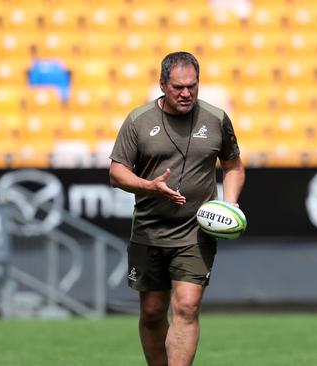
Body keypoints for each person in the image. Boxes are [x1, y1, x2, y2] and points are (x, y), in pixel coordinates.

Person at [109, 51, 245, 366]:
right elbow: (116, 172)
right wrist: (149, 186)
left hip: (196, 232)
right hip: (149, 230)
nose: (186, 93)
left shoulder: (216, 119)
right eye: (178, 87)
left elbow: (233, 165)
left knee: (186, 306)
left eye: (192, 86)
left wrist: (230, 201)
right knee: (153, 311)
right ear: (162, 85)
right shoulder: (138, 121)